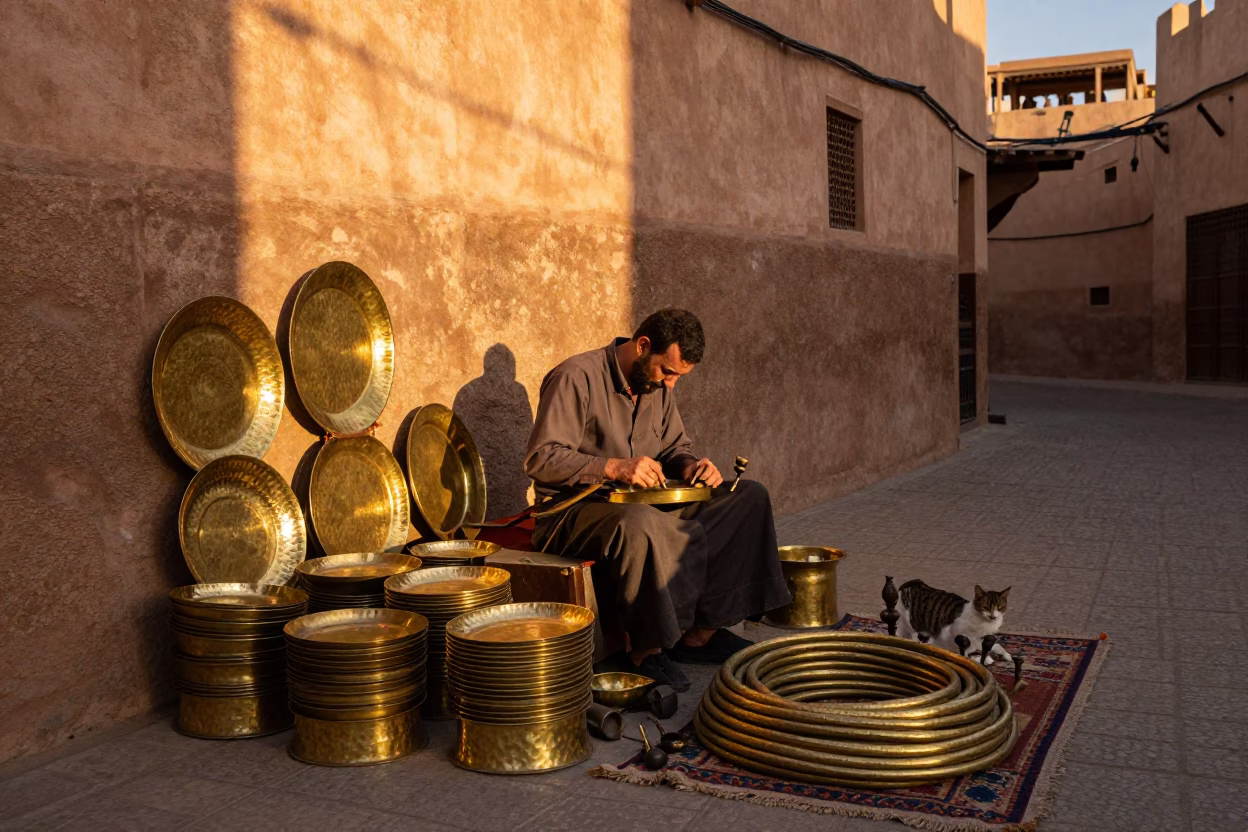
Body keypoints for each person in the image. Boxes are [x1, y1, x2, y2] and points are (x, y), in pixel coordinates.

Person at [523, 309, 790, 691]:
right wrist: (613, 466)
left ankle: (700, 635)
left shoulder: (657, 388)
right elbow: (540, 458)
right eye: (667, 372)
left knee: (747, 496)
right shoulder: (575, 377)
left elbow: (673, 446)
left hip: (641, 503)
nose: (671, 385)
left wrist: (692, 465)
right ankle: (644, 651)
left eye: (679, 376)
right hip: (572, 511)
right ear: (643, 345)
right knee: (641, 523)